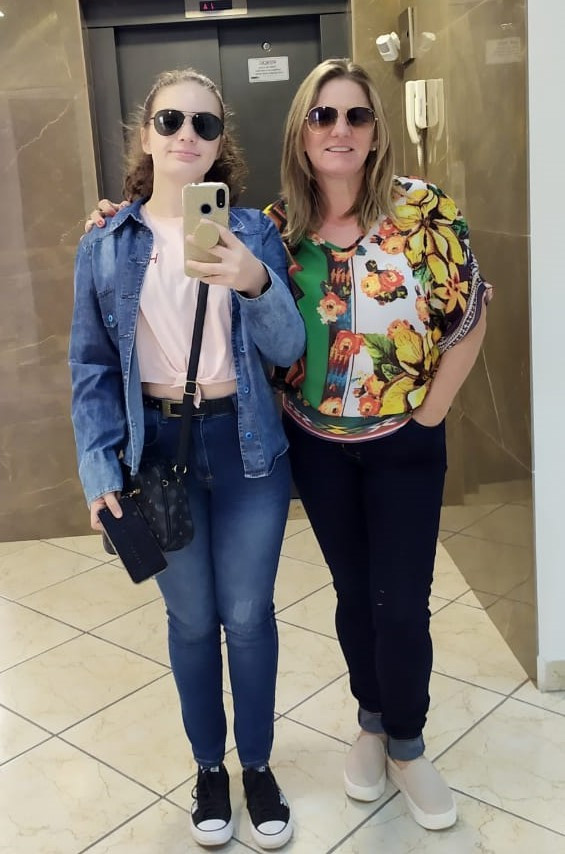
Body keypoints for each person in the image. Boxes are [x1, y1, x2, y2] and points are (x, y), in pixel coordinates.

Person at [86, 57, 490, 833]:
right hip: (291, 444)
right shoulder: (262, 226)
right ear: (301, 132)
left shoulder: (388, 214)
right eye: (322, 116)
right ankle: (322, 738)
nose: (339, 129)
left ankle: (389, 745)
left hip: (355, 443)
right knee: (327, 598)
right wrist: (119, 218)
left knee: (386, 603)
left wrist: (430, 414)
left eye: (355, 115)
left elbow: (462, 309)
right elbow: (100, 358)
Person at [70, 68, 304, 850]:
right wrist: (99, 470)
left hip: (246, 447)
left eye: (204, 124)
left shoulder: (253, 232)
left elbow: (287, 348)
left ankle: (257, 766)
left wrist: (254, 280)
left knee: (248, 617)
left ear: (219, 142)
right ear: (145, 134)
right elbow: (91, 368)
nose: (186, 136)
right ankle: (209, 769)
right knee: (192, 621)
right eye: (170, 120)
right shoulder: (107, 243)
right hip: (155, 450)